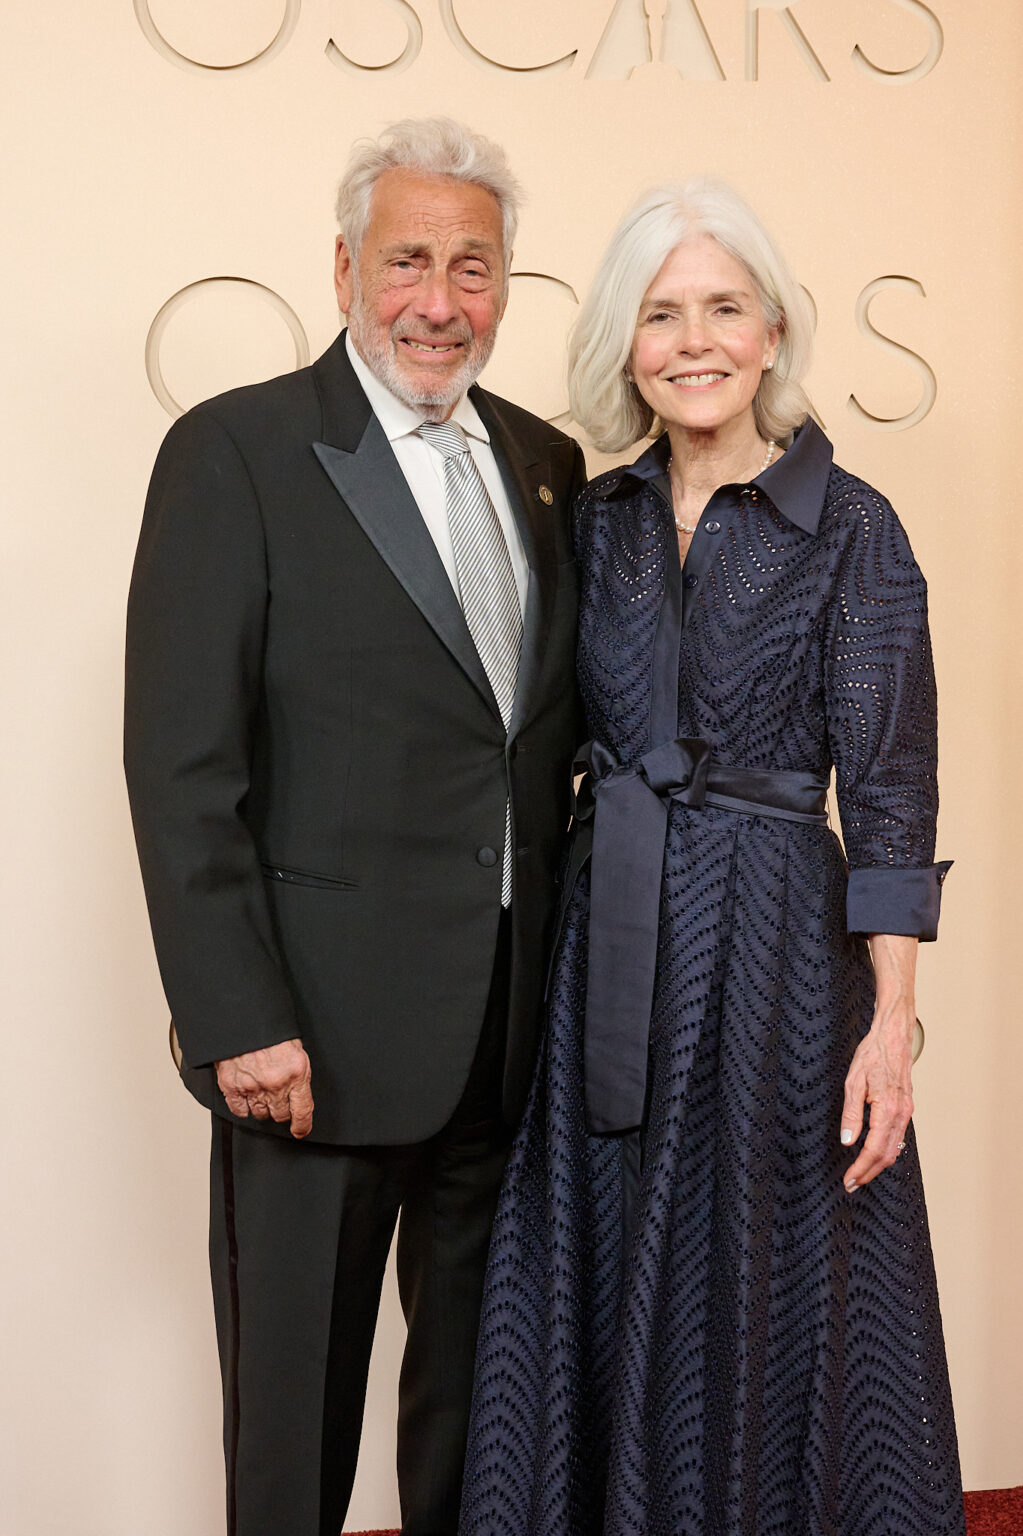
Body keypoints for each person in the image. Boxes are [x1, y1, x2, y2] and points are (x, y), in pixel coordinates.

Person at [460, 178, 965, 1535]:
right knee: (603, 1253)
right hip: (604, 949)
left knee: (771, 1272)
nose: (695, 340)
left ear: (773, 329)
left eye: (723, 309)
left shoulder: (851, 525)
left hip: (779, 965)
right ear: (626, 342)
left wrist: (894, 1025)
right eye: (662, 313)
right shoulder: (594, 521)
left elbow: (896, 789)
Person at [124, 117, 585, 1536]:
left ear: (507, 285)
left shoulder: (550, 464)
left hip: (504, 1050)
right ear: (342, 269)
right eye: (406, 261)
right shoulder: (239, 451)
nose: (438, 301)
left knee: (480, 1419)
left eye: (473, 266)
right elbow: (183, 764)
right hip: (308, 1048)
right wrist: (235, 1018)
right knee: (293, 1437)